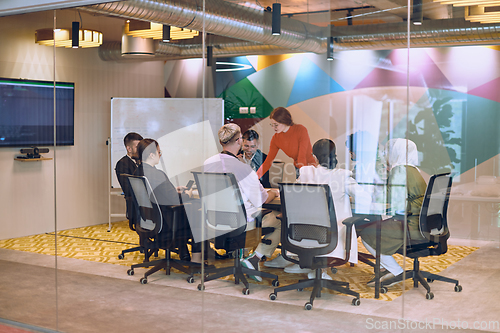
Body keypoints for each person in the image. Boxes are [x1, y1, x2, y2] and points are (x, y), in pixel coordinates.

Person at [283, 139, 371, 279]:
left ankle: (310, 265)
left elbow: (295, 196)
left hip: (304, 233)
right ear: (334, 155)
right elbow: (365, 198)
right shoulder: (342, 176)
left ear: (315, 157)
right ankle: (320, 270)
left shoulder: (305, 173)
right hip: (331, 237)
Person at [204, 123, 280, 281]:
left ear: (221, 142)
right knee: (279, 219)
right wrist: (273, 192)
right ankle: (255, 258)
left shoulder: (208, 163)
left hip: (214, 221)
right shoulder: (243, 169)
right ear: (239, 141)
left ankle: (244, 256)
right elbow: (262, 199)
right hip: (240, 223)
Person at [359, 138, 427, 287]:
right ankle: (386, 267)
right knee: (377, 227)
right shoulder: (412, 169)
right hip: (422, 224)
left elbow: (388, 201)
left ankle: (395, 271)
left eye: (389, 152)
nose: (386, 155)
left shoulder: (400, 170)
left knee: (367, 233)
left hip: (410, 226)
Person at [134, 138, 196, 262]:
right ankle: (197, 261)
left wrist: (174, 190)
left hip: (148, 221)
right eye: (159, 152)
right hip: (166, 223)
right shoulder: (157, 174)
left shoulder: (137, 172)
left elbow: (156, 193)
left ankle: (186, 255)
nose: (160, 155)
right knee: (197, 215)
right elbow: (174, 200)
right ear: (152, 155)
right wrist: (188, 194)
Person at [256, 107, 316, 179]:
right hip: (298, 167)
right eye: (271, 124)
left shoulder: (301, 130)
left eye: (276, 125)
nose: (273, 127)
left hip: (311, 168)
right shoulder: (276, 139)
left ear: (284, 121)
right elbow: (267, 162)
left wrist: (304, 176)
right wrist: (254, 178)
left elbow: (301, 157)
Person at [115, 132, 143, 219]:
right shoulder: (122, 164)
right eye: (138, 147)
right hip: (137, 207)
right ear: (129, 149)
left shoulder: (143, 162)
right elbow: (129, 189)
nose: (141, 150)